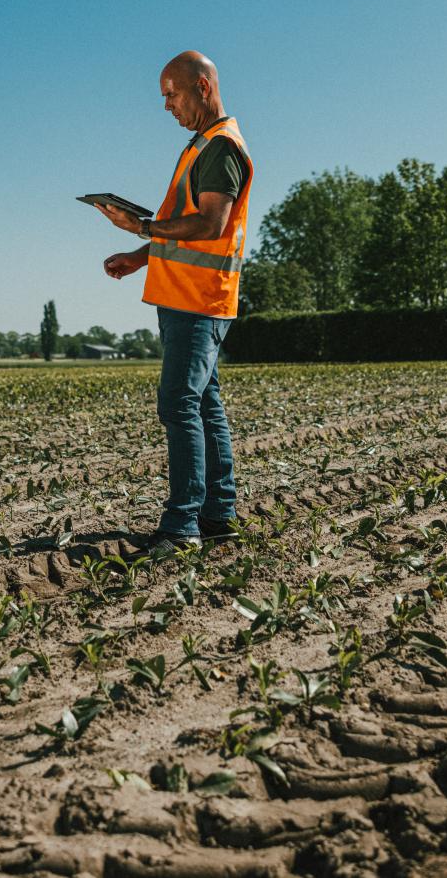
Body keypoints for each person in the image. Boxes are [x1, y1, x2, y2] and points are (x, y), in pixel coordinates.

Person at [95, 51, 253, 560]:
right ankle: (217, 516)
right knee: (205, 403)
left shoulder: (221, 148)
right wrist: (141, 256)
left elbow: (210, 224)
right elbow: (188, 228)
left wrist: (140, 227)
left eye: (172, 93)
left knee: (180, 403)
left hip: (198, 302)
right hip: (187, 297)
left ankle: (182, 524)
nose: (166, 105)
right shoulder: (201, 146)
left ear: (202, 87)